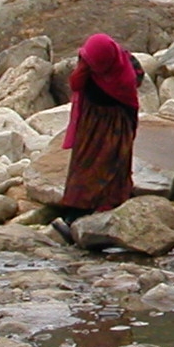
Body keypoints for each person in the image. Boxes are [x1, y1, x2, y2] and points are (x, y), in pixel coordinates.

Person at [55, 33, 143, 242]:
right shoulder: (100, 62)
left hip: (111, 125)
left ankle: (82, 220)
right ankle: (77, 217)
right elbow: (76, 83)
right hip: (97, 124)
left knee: (107, 166)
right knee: (88, 167)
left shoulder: (123, 70)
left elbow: (77, 83)